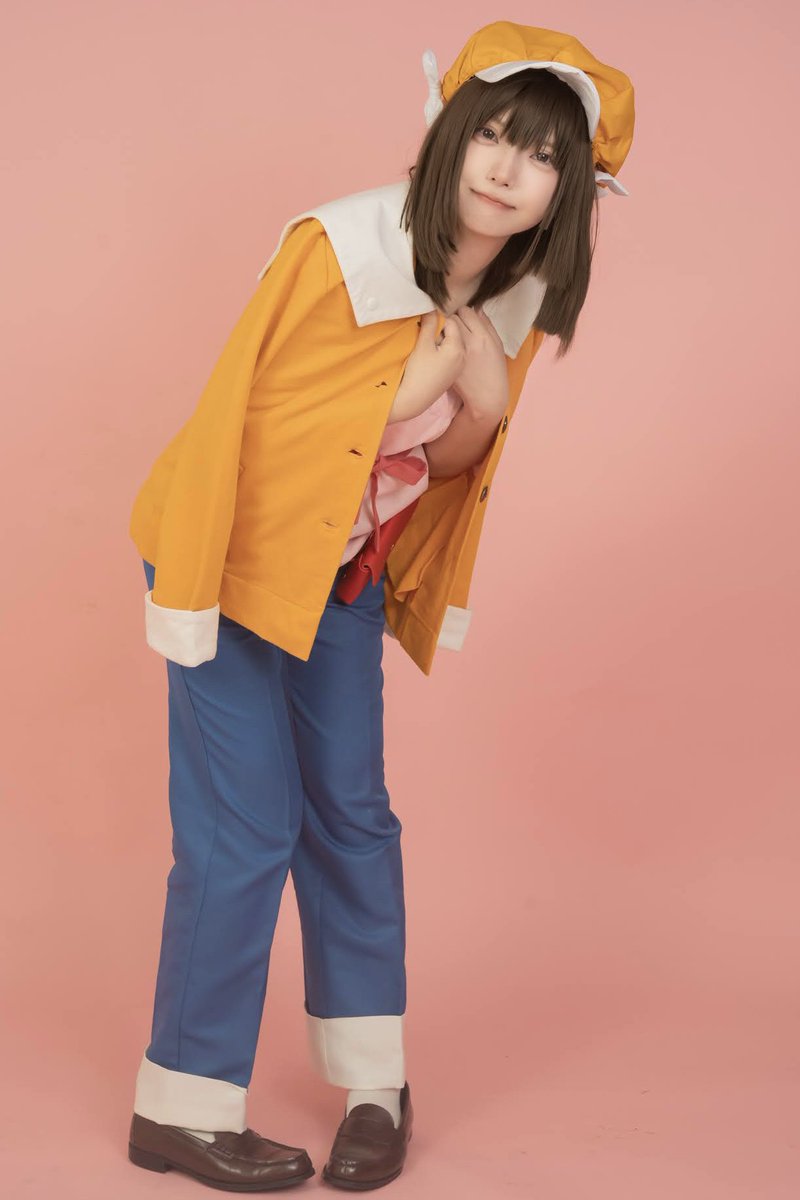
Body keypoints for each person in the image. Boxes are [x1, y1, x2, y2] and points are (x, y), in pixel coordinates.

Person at [126, 20, 635, 1192]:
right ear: (448, 131)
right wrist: (416, 379)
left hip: (341, 575)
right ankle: (180, 1107)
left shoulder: (512, 293)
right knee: (245, 829)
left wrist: (479, 401)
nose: (506, 170)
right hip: (231, 556)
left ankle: (373, 1086)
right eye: (493, 136)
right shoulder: (338, 244)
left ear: (570, 188)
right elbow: (246, 418)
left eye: (541, 156)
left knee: (352, 814)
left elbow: (433, 468)